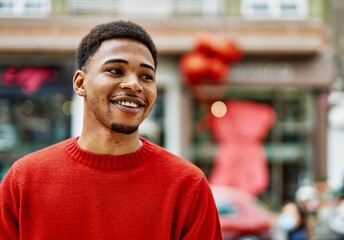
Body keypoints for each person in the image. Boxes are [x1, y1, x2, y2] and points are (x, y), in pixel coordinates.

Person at [0, 20, 223, 240]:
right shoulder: (24, 180)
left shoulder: (187, 186)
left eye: (146, 76)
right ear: (80, 83)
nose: (134, 85)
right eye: (116, 70)